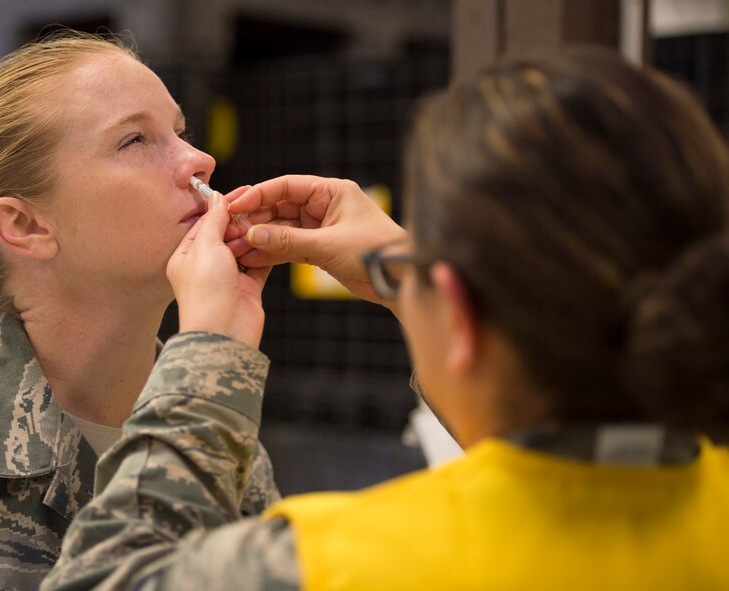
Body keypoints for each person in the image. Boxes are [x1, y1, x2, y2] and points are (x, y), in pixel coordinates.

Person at [42, 48, 729, 591]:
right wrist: (417, 274)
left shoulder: (338, 565)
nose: (199, 160)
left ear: (458, 314)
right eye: (136, 140)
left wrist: (207, 354)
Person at [0, 33, 279, 591]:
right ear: (25, 226)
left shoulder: (225, 440)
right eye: (136, 139)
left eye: (180, 131)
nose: (200, 159)